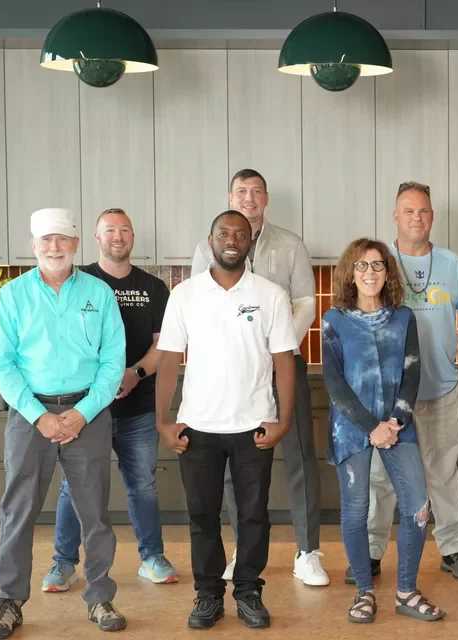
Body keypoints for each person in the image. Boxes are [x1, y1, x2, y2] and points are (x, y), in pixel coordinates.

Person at [0, 208, 127, 639]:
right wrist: (39, 416)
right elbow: (1, 363)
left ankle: (100, 597)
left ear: (76, 245)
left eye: (62, 239)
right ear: (33, 246)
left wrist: (83, 412)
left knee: (94, 512)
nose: (54, 247)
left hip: (89, 412)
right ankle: (8, 602)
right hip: (30, 415)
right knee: (17, 510)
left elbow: (112, 360)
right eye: (45, 240)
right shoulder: (12, 296)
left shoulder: (99, 294)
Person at [157, 211, 296, 630]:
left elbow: (284, 361)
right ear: (210, 239)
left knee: (253, 516)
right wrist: (164, 421)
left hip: (253, 426)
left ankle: (249, 592)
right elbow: (167, 360)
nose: (232, 240)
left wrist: (283, 421)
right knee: (202, 516)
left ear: (251, 241)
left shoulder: (270, 295)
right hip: (197, 427)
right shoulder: (185, 294)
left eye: (241, 234)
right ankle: (208, 595)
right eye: (224, 233)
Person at [191, 169, 327, 586]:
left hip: (283, 365)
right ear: (230, 197)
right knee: (234, 462)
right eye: (240, 192)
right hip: (232, 374)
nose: (248, 198)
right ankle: (240, 551)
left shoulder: (290, 244)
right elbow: (199, 305)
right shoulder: (206, 246)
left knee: (300, 455)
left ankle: (308, 552)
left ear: (266, 198)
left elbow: (305, 300)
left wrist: (279, 347)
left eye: (255, 192)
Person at [43, 208, 178, 593]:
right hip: (85, 411)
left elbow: (163, 348)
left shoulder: (154, 288)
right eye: (109, 230)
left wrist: (135, 374)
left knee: (143, 485)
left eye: (124, 230)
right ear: (96, 238)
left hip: (138, 408)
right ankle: (63, 563)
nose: (118, 236)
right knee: (74, 486)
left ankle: (151, 557)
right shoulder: (77, 282)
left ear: (132, 237)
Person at [355, 182, 458, 583]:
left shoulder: (453, 265)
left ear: (432, 216)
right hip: (388, 398)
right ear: (395, 216)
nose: (417, 218)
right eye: (408, 211)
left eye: (424, 211)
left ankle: (454, 548)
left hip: (441, 388)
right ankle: (373, 551)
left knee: (443, 472)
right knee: (381, 477)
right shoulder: (376, 263)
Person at [323, 238, 445, 624]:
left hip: (398, 425)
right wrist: (370, 426)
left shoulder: (404, 317)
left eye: (377, 265)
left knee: (418, 507)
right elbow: (333, 381)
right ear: (350, 273)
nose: (370, 273)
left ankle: (406, 590)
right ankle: (364, 591)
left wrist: (395, 422)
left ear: (387, 272)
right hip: (351, 427)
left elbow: (412, 372)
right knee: (356, 510)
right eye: (361, 266)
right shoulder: (334, 320)